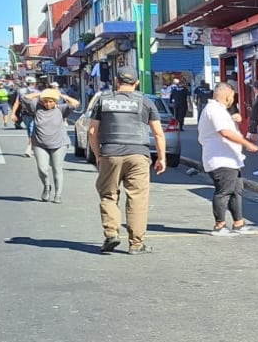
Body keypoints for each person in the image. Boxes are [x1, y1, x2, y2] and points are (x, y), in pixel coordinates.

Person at [88, 66, 166, 255]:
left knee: (108, 195)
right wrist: (162, 158)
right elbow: (158, 132)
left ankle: (111, 233)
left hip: (110, 152)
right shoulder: (145, 102)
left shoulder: (103, 100)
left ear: (116, 81)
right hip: (139, 154)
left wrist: (98, 155)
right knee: (137, 198)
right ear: (136, 83)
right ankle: (136, 244)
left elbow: (92, 131)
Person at [199, 83, 258, 236]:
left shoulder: (220, 110)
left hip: (230, 158)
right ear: (227, 96)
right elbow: (225, 132)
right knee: (224, 192)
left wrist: (234, 119)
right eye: (232, 97)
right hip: (220, 158)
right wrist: (247, 144)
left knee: (236, 191)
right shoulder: (214, 110)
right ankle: (219, 225)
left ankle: (239, 223)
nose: (233, 100)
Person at [21, 87, 79, 203]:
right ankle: (47, 186)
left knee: (57, 169)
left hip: (59, 144)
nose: (48, 104)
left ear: (55, 101)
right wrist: (39, 94)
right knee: (42, 169)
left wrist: (62, 96)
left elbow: (75, 103)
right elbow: (25, 98)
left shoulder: (61, 109)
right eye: (45, 101)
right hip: (40, 144)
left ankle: (58, 194)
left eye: (51, 101)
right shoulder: (36, 108)